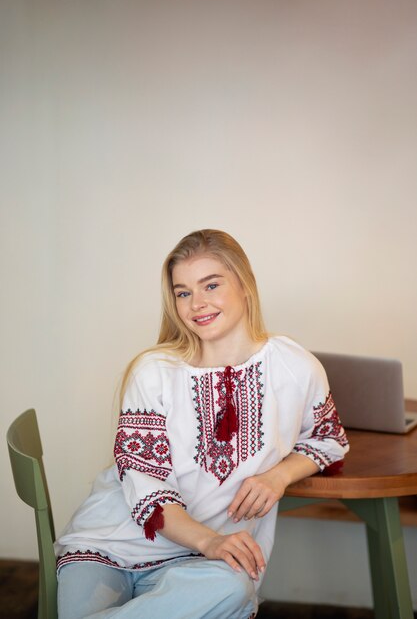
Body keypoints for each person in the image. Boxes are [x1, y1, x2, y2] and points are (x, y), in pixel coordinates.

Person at [55, 229, 349, 619]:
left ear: (244, 285)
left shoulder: (295, 366)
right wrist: (210, 540)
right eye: (183, 292)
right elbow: (147, 488)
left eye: (211, 285)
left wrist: (278, 476)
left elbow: (329, 440)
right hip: (110, 547)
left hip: (198, 565)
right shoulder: (154, 371)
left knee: (233, 587)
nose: (197, 303)